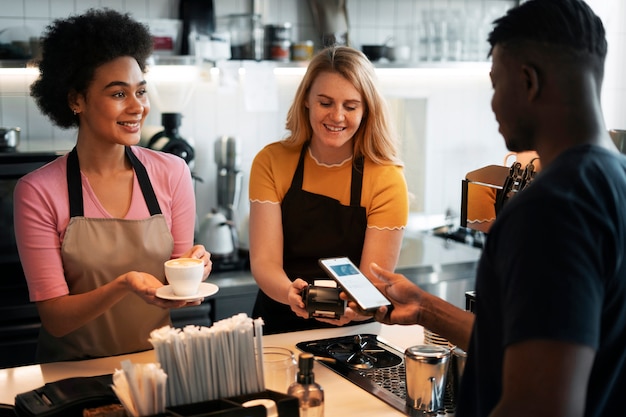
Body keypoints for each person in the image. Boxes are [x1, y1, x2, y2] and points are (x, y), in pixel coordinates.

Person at [358, 1, 626, 416]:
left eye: (496, 84)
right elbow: (543, 347)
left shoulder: (550, 210)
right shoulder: (617, 180)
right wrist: (428, 309)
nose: (493, 104)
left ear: (528, 81)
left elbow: (540, 404)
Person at [14, 8, 212, 363]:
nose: (137, 107)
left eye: (141, 91)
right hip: (73, 376)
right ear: (76, 100)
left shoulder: (172, 172)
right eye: (119, 94)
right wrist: (124, 285)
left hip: (157, 369)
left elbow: (178, 274)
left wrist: (195, 269)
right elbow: (56, 319)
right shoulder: (38, 191)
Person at [248, 45, 409, 334]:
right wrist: (290, 293)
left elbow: (373, 284)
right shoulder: (271, 162)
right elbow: (264, 261)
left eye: (350, 106)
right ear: (307, 100)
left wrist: (354, 312)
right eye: (325, 102)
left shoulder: (386, 178)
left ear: (366, 109)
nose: (337, 116)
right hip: (278, 326)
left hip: (354, 332)